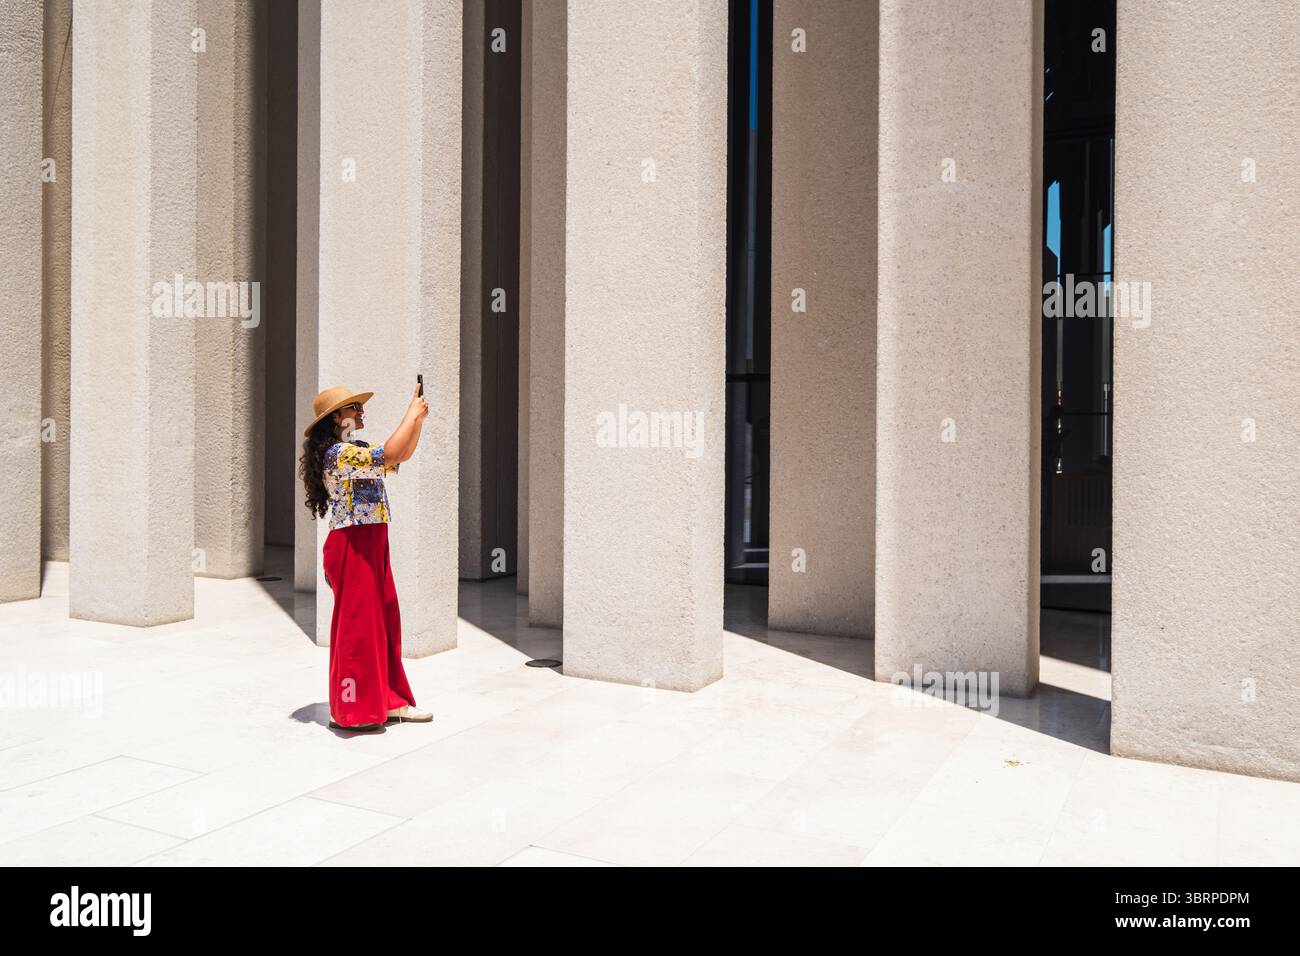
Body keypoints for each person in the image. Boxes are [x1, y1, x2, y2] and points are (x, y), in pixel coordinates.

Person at [298, 384, 431, 732]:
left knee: (384, 622)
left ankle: (389, 701)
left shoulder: (356, 450)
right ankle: (352, 708)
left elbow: (400, 456)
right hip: (352, 545)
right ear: (335, 419)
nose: (360, 412)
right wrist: (410, 415)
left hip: (372, 541)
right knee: (357, 628)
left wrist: (417, 422)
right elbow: (390, 453)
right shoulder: (339, 454)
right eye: (353, 408)